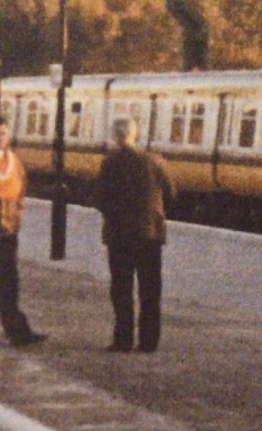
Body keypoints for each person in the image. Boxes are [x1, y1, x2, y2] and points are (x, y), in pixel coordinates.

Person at [95, 116, 175, 352]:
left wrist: (113, 215)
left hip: (119, 235)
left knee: (121, 289)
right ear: (134, 135)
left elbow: (99, 198)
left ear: (114, 137)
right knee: (150, 290)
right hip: (150, 235)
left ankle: (123, 340)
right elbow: (171, 192)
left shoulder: (109, 163)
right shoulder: (154, 160)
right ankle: (149, 342)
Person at [0, 114, 46, 348]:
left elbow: (21, 192)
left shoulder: (14, 161)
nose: (0, 138)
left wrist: (17, 219)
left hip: (6, 233)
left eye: (4, 133)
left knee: (8, 286)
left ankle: (18, 332)